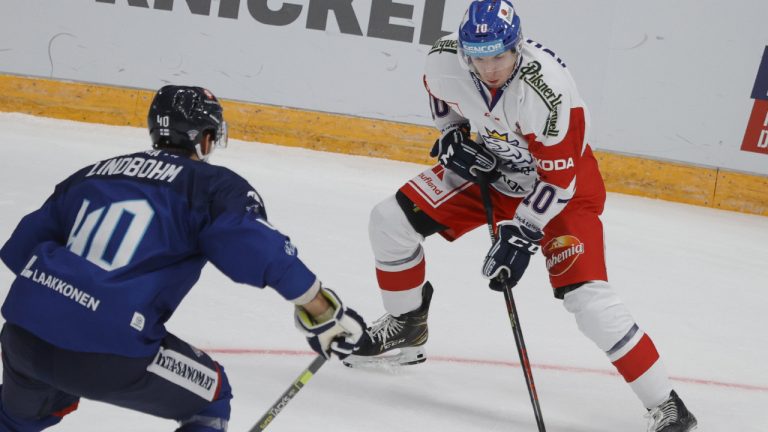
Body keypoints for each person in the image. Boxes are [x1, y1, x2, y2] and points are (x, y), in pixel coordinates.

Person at [343, 1, 697, 431]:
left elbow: (557, 183)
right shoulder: (444, 59)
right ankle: (406, 324)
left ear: (517, 46)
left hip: (561, 188)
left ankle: (667, 404)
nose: (490, 68)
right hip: (493, 170)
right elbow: (440, 96)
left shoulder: (545, 91)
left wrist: (521, 234)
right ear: (465, 52)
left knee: (586, 299)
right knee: (389, 221)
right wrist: (453, 133)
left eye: (500, 56)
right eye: (480, 57)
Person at [0, 85, 365, 432]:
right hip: (107, 349)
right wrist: (320, 310)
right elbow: (257, 248)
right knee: (211, 397)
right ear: (205, 138)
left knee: (16, 420)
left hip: (23, 334)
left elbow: (20, 250)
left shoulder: (93, 173)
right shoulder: (211, 186)